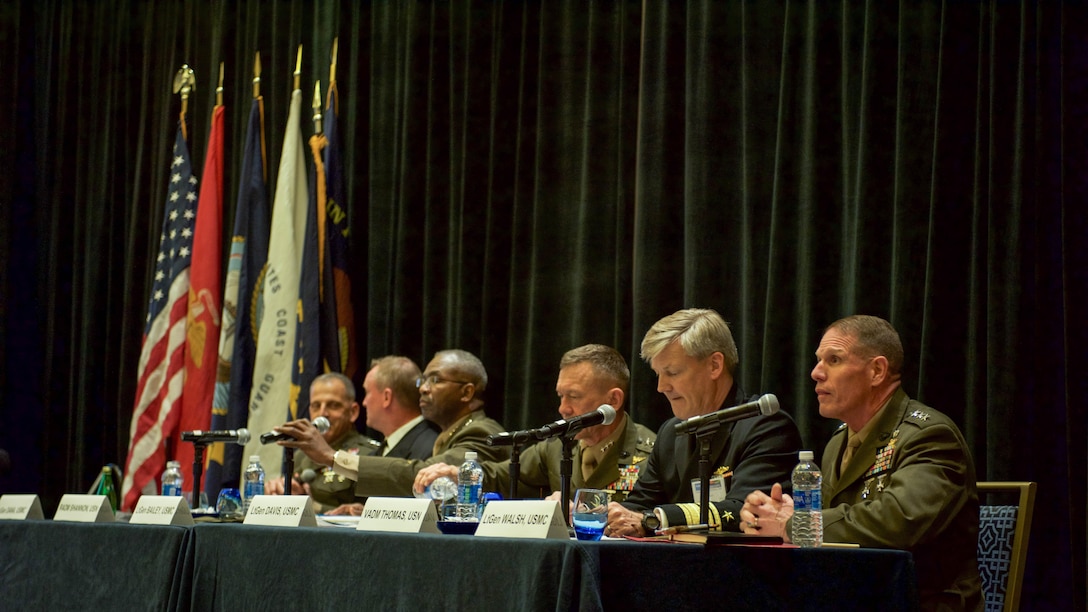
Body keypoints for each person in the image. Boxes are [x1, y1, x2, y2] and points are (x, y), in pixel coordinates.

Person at [740, 315, 982, 611]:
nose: (816, 373)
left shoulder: (930, 436)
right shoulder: (837, 443)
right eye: (818, 360)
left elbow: (898, 522)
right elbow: (834, 526)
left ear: (877, 371)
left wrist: (798, 523)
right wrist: (782, 514)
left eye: (834, 360)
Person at [605, 308, 802, 537]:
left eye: (673, 372)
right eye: (658, 374)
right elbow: (637, 506)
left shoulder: (767, 426)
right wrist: (601, 514)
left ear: (715, 365)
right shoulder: (671, 433)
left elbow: (748, 510)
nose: (661, 387)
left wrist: (657, 519)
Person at [413, 344, 657, 501]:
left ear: (613, 400)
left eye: (574, 396)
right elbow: (503, 475)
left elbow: (660, 517)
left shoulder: (649, 451)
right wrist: (458, 474)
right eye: (561, 396)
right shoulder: (556, 445)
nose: (563, 408)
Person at [273, 349, 510, 506]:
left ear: (467, 392)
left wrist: (332, 457)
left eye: (435, 380)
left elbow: (424, 475)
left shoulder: (480, 431)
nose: (423, 389)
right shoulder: (450, 435)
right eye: (423, 381)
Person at [264, 372, 377, 513]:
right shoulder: (301, 456)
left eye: (333, 405)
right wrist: (277, 490)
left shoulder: (370, 454)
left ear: (353, 412)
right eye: (316, 406)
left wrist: (312, 507)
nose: (322, 413)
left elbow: (370, 515)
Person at [358, 356, 440, 460]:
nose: (364, 403)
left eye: (367, 392)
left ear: (387, 397)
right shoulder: (377, 453)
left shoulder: (432, 451)